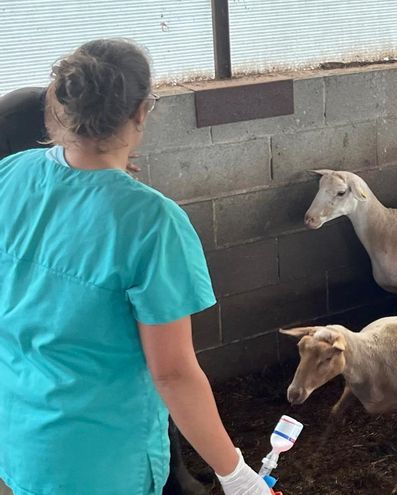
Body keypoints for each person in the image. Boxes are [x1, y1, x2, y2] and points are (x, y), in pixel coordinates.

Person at [0, 39, 271, 495]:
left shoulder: (10, 175)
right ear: (143, 111)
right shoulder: (153, 223)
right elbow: (172, 373)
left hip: (17, 435)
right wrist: (237, 474)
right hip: (98, 459)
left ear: (61, 103)